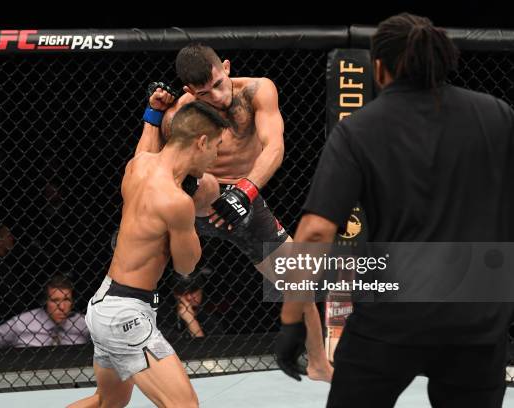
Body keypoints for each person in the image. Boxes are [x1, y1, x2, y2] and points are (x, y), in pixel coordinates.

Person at [278, 13, 514, 408]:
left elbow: (317, 231)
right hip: (477, 315)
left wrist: (290, 320)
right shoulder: (497, 114)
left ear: (379, 68)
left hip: (393, 315)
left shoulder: (360, 128)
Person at [136, 44, 332, 381]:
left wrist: (246, 190)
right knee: (202, 189)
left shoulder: (257, 90)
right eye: (203, 92)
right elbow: (146, 167)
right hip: (195, 204)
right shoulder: (184, 110)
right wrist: (154, 115)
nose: (215, 95)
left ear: (225, 67)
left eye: (217, 83)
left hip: (245, 196)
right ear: (189, 91)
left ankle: (318, 362)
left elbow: (274, 147)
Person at [83, 100, 228, 408]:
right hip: (125, 314)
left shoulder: (138, 166)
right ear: (201, 142)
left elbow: (146, 147)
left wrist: (152, 115)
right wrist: (193, 216)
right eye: (216, 147)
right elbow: (186, 266)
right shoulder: (176, 201)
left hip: (104, 301)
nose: (216, 157)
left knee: (106, 403)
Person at [0, 273, 89, 348]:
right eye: (55, 300)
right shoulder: (23, 322)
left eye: (66, 299)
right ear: (45, 301)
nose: (62, 307)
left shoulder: (83, 323)